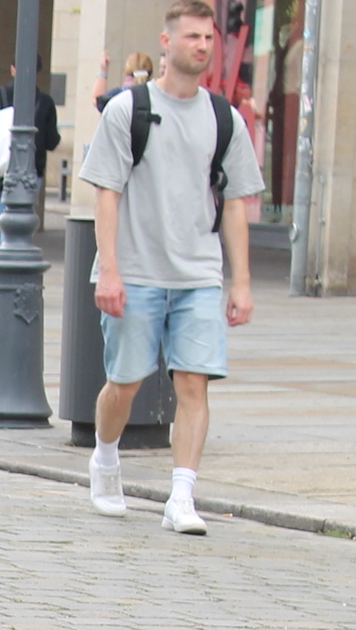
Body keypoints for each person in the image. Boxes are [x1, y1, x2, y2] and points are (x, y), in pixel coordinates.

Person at [83, 0, 261, 534]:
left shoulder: (224, 118)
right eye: (192, 37)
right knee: (125, 382)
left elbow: (234, 204)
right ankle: (106, 459)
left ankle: (182, 495)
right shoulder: (127, 110)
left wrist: (241, 283)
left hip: (198, 276)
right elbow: (107, 195)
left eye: (209, 38)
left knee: (194, 384)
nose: (203, 46)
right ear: (166, 42)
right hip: (135, 271)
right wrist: (109, 270)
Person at [0, 59, 62, 183]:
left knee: (0, 202)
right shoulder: (45, 102)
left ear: (12, 69)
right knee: (27, 202)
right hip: (32, 171)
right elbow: (52, 142)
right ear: (37, 72)